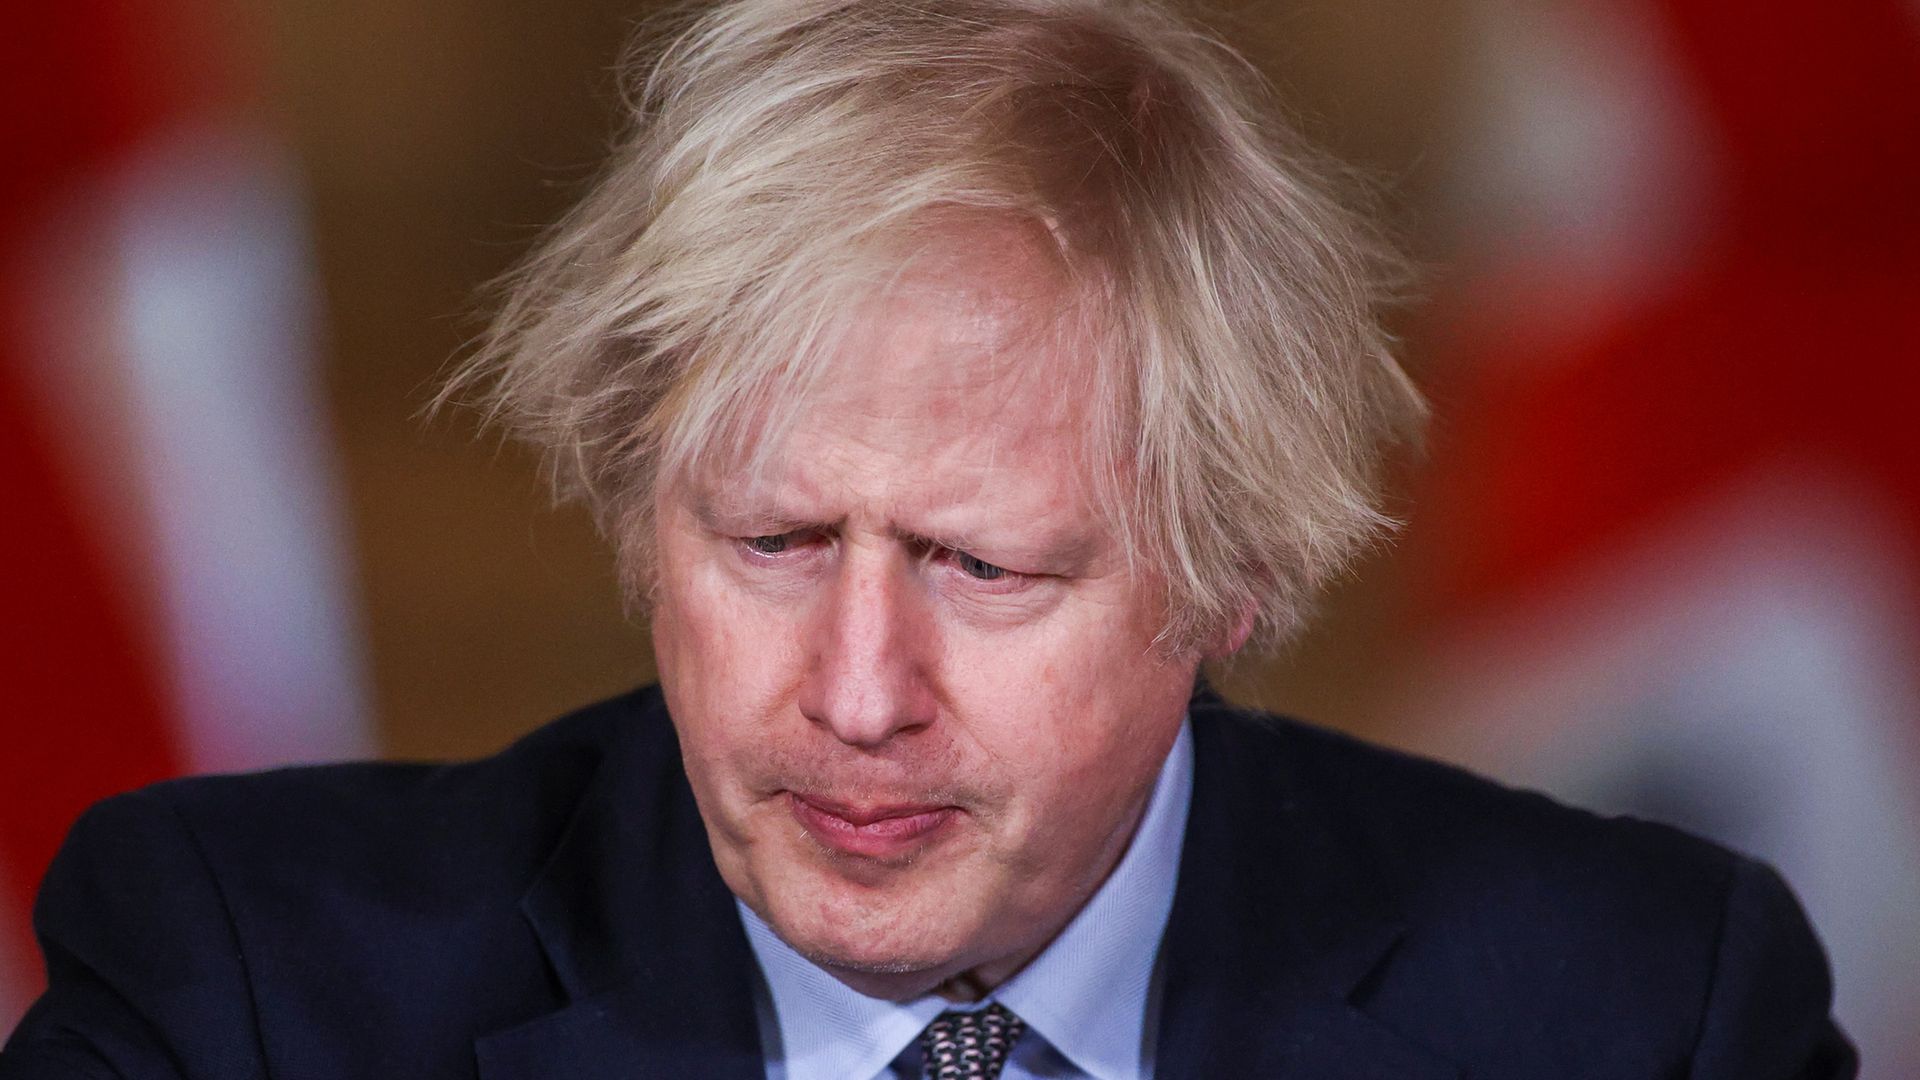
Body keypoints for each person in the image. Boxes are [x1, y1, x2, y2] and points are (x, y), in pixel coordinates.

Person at [0, 0, 1856, 1077]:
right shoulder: (239, 997)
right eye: (774, 541)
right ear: (646, 504)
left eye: (984, 568)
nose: (857, 695)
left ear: (1234, 572)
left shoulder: (1642, 1015)